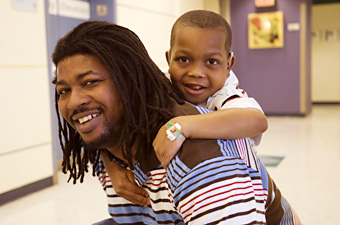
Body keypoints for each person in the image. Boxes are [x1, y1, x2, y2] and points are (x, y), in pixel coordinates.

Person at [52, 20, 300, 224]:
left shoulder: (199, 149)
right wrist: (109, 162)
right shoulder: (112, 131)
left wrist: (182, 126)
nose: (74, 102)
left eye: (90, 82)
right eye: (63, 91)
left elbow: (256, 120)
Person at [108, 10, 269, 207]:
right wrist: (112, 168)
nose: (196, 72)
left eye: (212, 62)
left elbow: (257, 121)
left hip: (239, 196)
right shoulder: (161, 88)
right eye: (183, 60)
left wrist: (180, 127)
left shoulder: (224, 95)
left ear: (229, 65)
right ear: (168, 59)